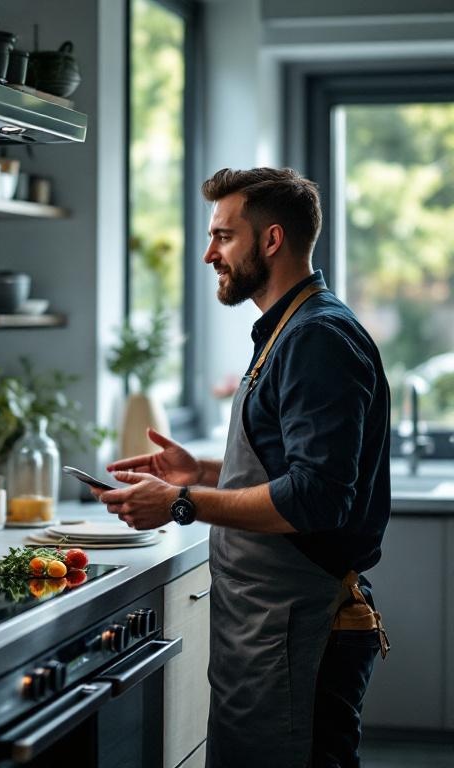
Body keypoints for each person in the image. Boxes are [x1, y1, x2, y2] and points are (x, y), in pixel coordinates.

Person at [98, 168, 390, 768]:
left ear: (272, 241)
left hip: (298, 630)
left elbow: (315, 497)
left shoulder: (317, 338)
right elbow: (290, 461)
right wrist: (201, 472)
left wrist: (183, 504)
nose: (209, 254)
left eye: (224, 237)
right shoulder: (287, 328)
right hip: (269, 631)